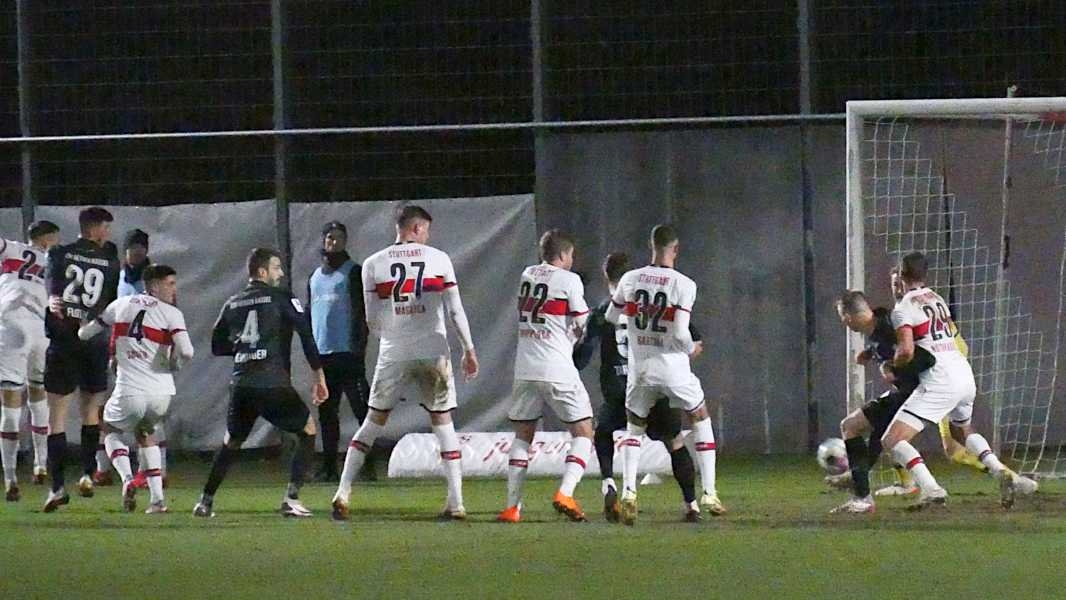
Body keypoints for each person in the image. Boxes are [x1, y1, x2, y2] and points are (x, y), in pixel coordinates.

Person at [331, 205, 478, 521]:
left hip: (394, 351)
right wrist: (468, 348)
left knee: (373, 421)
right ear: (417, 228)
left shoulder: (374, 264)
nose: (428, 235)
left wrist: (394, 335)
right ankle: (456, 503)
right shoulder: (439, 259)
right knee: (443, 422)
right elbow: (455, 310)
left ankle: (343, 492)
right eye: (426, 230)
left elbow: (372, 319)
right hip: (433, 349)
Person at [880, 252, 1037, 509]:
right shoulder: (937, 299)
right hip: (963, 373)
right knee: (960, 431)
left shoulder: (904, 308)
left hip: (940, 380)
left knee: (893, 440)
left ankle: (931, 489)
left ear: (902, 274)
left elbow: (906, 350)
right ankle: (1000, 471)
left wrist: (892, 366)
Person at [193, 248, 328, 518]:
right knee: (308, 430)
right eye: (276, 267)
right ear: (262, 271)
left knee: (231, 441)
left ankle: (205, 501)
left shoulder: (233, 302)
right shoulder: (281, 297)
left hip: (241, 384)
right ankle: (292, 498)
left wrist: (244, 350)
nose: (281, 273)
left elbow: (217, 345)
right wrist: (319, 376)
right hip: (271, 381)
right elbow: (305, 334)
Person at [606, 224, 725, 525]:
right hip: (673, 369)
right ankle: (709, 492)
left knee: (634, 428)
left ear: (652, 246)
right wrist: (690, 348)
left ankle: (629, 492)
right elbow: (682, 332)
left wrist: (639, 326)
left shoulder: (630, 279)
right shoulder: (684, 284)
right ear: (676, 249)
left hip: (641, 370)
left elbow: (611, 316)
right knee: (699, 416)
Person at [574, 252, 705, 522]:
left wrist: (576, 348)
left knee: (603, 431)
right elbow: (691, 335)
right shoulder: (652, 304)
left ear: (606, 276)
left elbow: (582, 355)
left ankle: (610, 483)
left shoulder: (602, 311)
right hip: (653, 383)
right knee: (674, 441)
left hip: (619, 391)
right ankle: (691, 504)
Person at [78, 265, 193, 513]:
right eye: (170, 284)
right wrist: (174, 364)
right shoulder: (172, 313)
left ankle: (128, 478)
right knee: (146, 434)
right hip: (162, 393)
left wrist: (79, 326)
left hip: (130, 390)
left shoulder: (120, 304)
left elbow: (85, 334)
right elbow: (187, 351)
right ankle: (157, 501)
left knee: (108, 428)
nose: (174, 289)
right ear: (154, 286)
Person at [497, 230, 592, 524]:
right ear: (563, 255)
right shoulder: (569, 280)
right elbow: (582, 321)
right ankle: (565, 493)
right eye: (570, 255)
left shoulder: (527, 275)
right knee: (584, 432)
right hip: (556, 366)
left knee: (523, 435)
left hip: (525, 367)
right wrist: (573, 337)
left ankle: (512, 507)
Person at [42, 207, 121, 511]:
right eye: (106, 228)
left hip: (63, 340)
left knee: (56, 418)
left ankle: (57, 488)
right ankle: (87, 473)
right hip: (94, 341)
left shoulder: (59, 253)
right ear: (96, 228)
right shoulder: (110, 260)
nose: (108, 233)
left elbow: (52, 292)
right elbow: (111, 304)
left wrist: (53, 299)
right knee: (90, 412)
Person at [832, 290, 935, 513]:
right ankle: (859, 482)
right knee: (876, 437)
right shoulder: (879, 324)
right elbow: (888, 347)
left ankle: (862, 494)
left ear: (848, 316)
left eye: (842, 318)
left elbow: (926, 358)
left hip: (913, 395)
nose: (844, 323)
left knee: (851, 427)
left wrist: (892, 368)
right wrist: (870, 353)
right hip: (906, 394)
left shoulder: (888, 328)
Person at [94, 228, 168, 488]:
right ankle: (103, 469)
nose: (137, 252)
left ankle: (156, 471)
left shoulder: (155, 279)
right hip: (121, 352)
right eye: (133, 247)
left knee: (149, 413)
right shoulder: (117, 276)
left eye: (141, 247)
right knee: (108, 409)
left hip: (148, 354)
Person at [306, 221, 372, 482]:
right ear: (323, 240)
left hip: (348, 353)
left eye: (338, 238)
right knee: (327, 414)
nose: (333, 242)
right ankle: (329, 468)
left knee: (362, 410)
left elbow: (361, 312)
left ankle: (366, 465)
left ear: (345, 241)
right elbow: (310, 313)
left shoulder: (353, 272)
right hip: (323, 355)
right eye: (330, 237)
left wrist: (359, 348)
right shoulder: (314, 277)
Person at [0, 220, 60, 501]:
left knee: (10, 403)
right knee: (38, 393)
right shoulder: (53, 260)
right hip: (40, 329)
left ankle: (10, 478)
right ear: (47, 239)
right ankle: (40, 462)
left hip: (9, 326)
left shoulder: (10, 248)